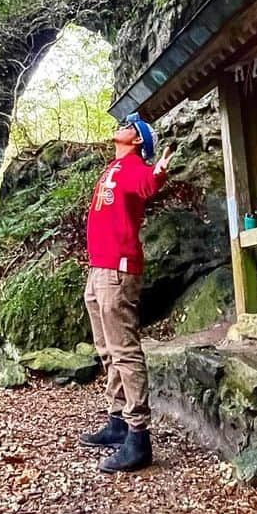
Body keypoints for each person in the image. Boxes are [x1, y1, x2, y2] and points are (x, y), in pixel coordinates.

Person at [80, 111, 175, 473]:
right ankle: (118, 420)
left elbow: (149, 184)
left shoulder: (135, 167)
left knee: (123, 349)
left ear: (136, 140)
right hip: (99, 269)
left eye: (129, 124)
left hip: (117, 269)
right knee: (106, 349)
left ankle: (138, 436)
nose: (121, 125)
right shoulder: (114, 167)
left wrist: (160, 169)